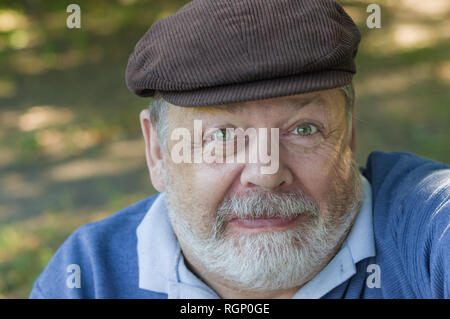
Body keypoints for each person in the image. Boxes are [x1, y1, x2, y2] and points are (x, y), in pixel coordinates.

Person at [30, 0, 449, 299]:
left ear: (349, 135)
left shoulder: (423, 230)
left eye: (303, 128)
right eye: (223, 135)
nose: (266, 172)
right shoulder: (87, 279)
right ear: (157, 151)